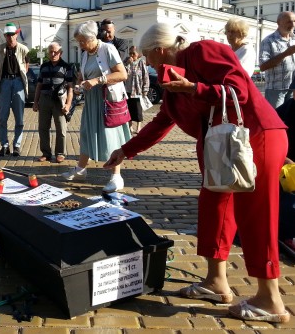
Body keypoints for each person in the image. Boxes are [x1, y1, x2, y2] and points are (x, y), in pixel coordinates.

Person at [104, 22, 290, 323]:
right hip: (222, 150)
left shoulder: (203, 51)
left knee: (255, 216)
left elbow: (239, 90)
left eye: (148, 56)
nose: (146, 63)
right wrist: (126, 150)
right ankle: (216, 282)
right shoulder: (173, 81)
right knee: (214, 208)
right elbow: (162, 121)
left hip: (255, 136)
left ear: (160, 50)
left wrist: (194, 88)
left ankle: (270, 300)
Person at [61, 20, 130, 192]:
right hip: (91, 101)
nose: (80, 45)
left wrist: (97, 80)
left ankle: (116, 177)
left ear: (92, 37)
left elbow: (122, 74)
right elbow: (82, 76)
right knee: (86, 133)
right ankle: (81, 170)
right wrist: (79, 86)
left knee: (110, 136)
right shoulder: (85, 53)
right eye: (78, 41)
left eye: (82, 41)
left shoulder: (108, 49)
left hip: (107, 101)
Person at [33, 42, 74, 163]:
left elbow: (70, 87)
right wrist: (35, 102)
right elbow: (39, 85)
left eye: (55, 52)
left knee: (61, 128)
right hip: (44, 100)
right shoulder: (43, 66)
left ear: (60, 53)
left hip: (59, 101)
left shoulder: (67, 67)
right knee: (43, 128)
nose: (52, 54)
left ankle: (60, 153)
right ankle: (46, 153)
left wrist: (68, 104)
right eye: (50, 51)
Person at [0, 22, 29, 157]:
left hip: (18, 82)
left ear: (17, 35)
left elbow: (26, 66)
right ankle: (4, 146)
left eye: (12, 35)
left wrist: (21, 78)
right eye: (7, 35)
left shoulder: (23, 49)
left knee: (19, 118)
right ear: (4, 36)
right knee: (2, 117)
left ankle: (17, 145)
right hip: (4, 83)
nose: (10, 37)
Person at [259, 11, 295, 108]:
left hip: (293, 89)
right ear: (278, 22)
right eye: (289, 22)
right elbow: (263, 66)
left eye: (294, 21)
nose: (292, 25)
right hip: (275, 90)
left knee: (289, 121)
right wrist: (286, 53)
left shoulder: (294, 39)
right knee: (275, 120)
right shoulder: (268, 41)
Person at [124, 46, 149, 134]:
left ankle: (139, 127)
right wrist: (127, 64)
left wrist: (145, 89)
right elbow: (123, 74)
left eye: (133, 53)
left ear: (138, 54)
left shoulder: (141, 62)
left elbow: (145, 76)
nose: (131, 55)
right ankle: (130, 126)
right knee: (128, 109)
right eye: (130, 53)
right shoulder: (126, 62)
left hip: (137, 90)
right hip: (128, 89)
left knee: (138, 109)